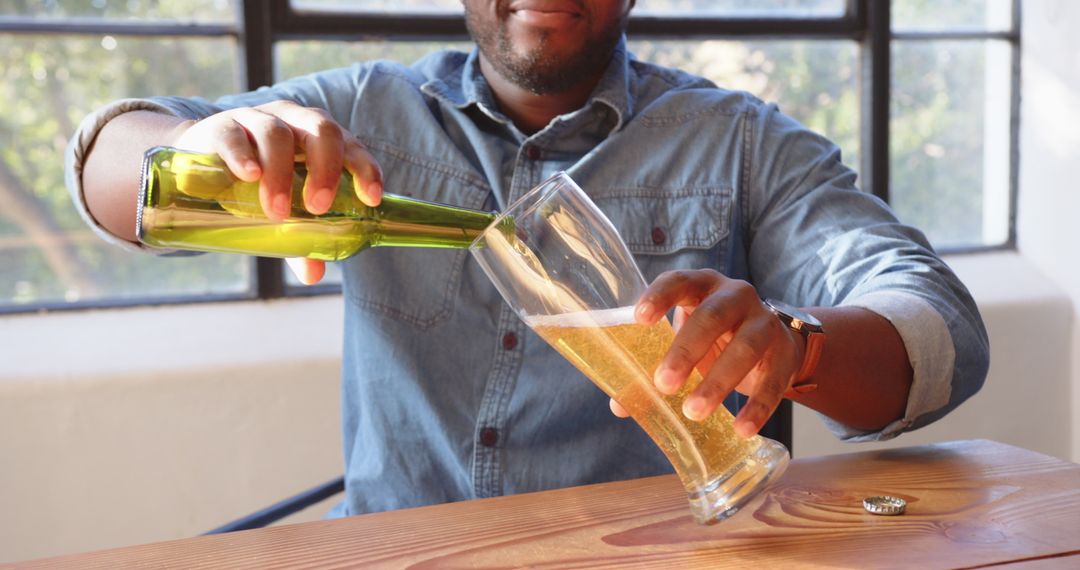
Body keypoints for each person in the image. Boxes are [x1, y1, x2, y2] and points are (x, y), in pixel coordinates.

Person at [66, 0, 989, 517]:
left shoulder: (740, 142)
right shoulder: (362, 110)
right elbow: (110, 165)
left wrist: (799, 345)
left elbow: (944, 336)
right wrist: (196, 148)